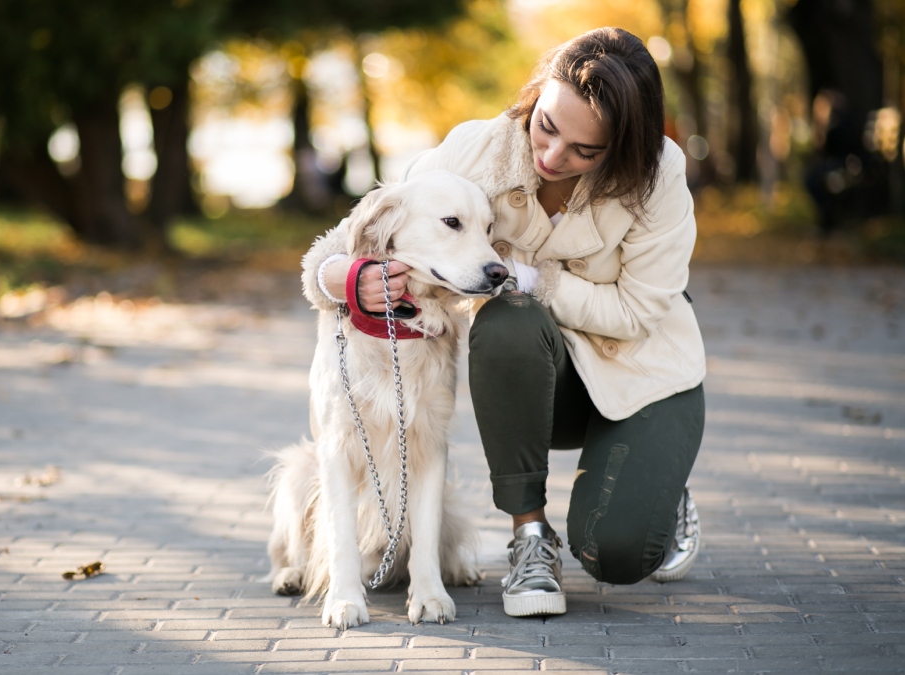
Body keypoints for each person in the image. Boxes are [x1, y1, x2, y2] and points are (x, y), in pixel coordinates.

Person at [299, 27, 706, 617]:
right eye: (547, 126)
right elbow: (348, 237)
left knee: (617, 553)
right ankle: (530, 539)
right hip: (531, 374)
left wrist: (533, 277)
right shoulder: (476, 149)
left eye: (583, 151)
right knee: (506, 322)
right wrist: (341, 275)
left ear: (623, 147)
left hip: (642, 371)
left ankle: (662, 477)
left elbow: (638, 312)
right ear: (537, 94)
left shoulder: (659, 174)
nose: (551, 157)